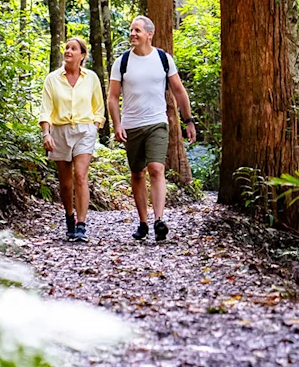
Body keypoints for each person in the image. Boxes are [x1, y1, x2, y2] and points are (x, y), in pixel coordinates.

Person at [107, 15, 196, 241]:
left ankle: (159, 220)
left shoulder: (163, 59)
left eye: (137, 30)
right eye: (131, 30)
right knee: (137, 173)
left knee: (156, 168)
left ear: (149, 34)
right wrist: (117, 124)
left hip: (157, 121)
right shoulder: (122, 62)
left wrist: (189, 120)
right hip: (132, 124)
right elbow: (113, 97)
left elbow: (178, 90)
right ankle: (143, 222)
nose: (132, 34)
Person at [38, 37, 104, 242]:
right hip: (59, 131)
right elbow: (46, 110)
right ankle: (69, 217)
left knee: (81, 176)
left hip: (85, 131)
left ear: (82, 55)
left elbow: (98, 107)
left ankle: (82, 224)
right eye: (67, 48)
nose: (68, 51)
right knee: (66, 183)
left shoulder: (91, 78)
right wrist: (46, 133)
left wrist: (95, 126)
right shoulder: (52, 79)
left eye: (73, 49)